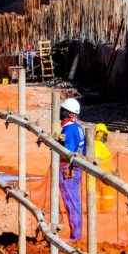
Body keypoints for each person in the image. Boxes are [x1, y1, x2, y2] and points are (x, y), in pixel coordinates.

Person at [59, 98, 85, 243]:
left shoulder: (69, 129)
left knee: (72, 203)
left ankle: (76, 237)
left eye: (63, 111)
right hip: (76, 169)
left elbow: (67, 153)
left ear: (69, 114)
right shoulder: (78, 128)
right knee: (74, 202)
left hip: (68, 170)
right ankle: (76, 235)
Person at [94, 123, 116, 213]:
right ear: (101, 133)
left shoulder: (99, 145)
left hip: (103, 175)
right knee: (101, 196)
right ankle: (103, 212)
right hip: (101, 176)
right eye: (105, 134)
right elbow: (97, 160)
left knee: (99, 196)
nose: (106, 137)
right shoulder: (97, 144)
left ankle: (100, 211)